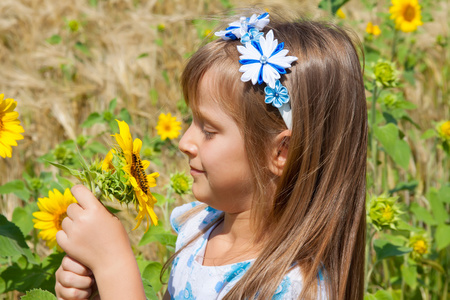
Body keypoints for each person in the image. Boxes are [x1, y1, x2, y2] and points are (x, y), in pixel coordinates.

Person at [55, 11, 367, 300]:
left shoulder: (294, 289)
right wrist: (101, 289)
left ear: (280, 152)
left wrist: (114, 266)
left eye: (209, 130)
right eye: (191, 120)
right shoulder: (199, 228)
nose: (184, 141)